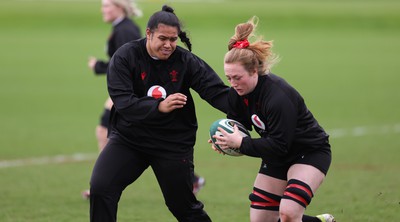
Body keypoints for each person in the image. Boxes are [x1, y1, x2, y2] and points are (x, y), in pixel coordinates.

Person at [89, 5, 229, 222]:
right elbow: (123, 102)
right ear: (148, 33)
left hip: (172, 144)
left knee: (182, 206)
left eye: (173, 39)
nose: (168, 45)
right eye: (163, 38)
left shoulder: (186, 61)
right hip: (130, 139)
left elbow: (217, 93)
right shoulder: (125, 57)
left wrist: (251, 107)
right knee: (101, 188)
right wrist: (158, 107)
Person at [211, 17, 335, 222]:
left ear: (254, 71)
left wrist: (241, 143)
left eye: (237, 77)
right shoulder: (236, 93)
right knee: (261, 219)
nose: (233, 83)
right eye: (228, 78)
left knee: (288, 213)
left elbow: (279, 145)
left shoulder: (277, 97)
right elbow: (238, 126)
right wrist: (225, 140)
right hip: (277, 156)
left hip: (308, 152)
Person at [83, 0, 143, 200]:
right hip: (125, 92)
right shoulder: (122, 27)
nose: (103, 9)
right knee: (140, 140)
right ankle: (102, 184)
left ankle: (102, 184)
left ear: (120, 7)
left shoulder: (125, 30)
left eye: (107, 5)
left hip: (129, 93)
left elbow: (127, 65)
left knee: (105, 131)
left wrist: (99, 66)